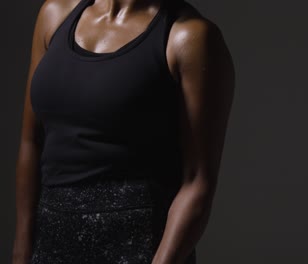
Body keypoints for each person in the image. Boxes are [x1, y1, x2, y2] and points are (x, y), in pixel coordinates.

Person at [11, 0, 235, 263]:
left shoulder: (188, 37)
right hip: (51, 244)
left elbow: (197, 181)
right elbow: (31, 141)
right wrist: (22, 249)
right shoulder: (54, 14)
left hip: (139, 248)